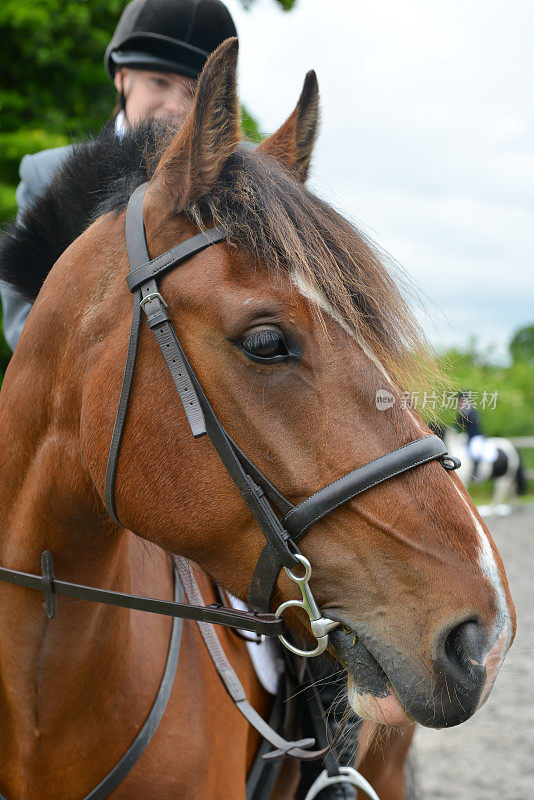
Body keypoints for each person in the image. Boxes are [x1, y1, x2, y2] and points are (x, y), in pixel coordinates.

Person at [0, 2, 361, 796]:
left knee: (288, 591)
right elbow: (30, 325)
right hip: (67, 425)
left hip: (186, 430)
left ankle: (330, 753)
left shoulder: (219, 198)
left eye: (193, 88)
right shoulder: (53, 175)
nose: (172, 104)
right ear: (121, 79)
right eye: (160, 81)